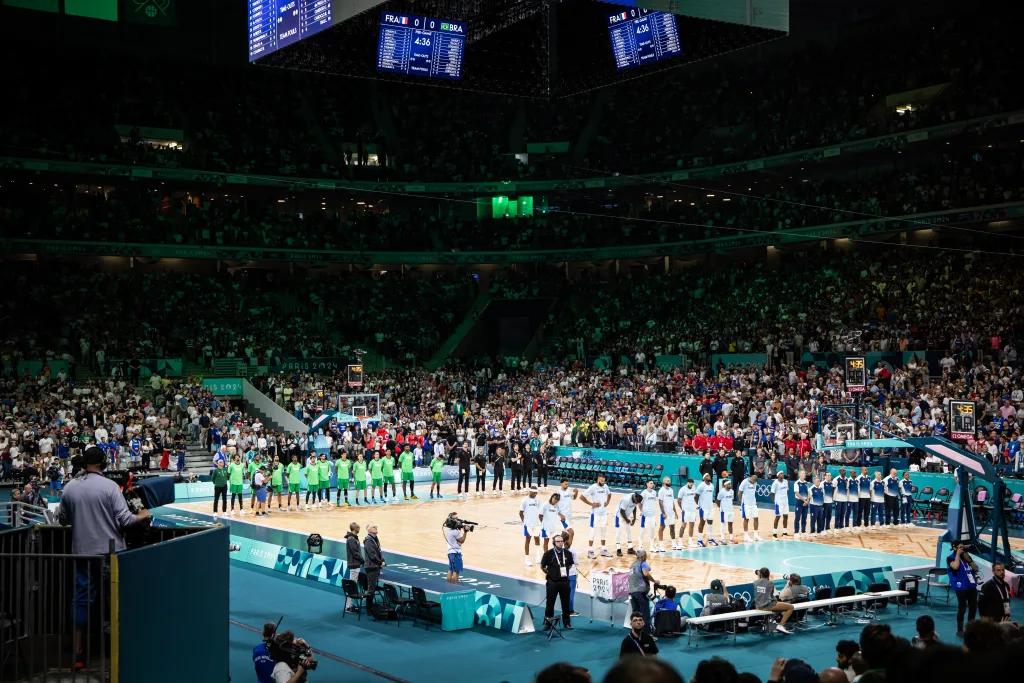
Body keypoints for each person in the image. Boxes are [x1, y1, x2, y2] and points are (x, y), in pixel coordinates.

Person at [58, 445, 151, 669]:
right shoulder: (110, 487)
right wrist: (143, 514)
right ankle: (123, 650)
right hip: (111, 554)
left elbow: (62, 520)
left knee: (81, 601)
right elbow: (126, 520)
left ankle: (78, 655)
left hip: (82, 552)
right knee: (116, 598)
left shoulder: (70, 488)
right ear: (102, 463)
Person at [539, 533, 574, 631]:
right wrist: (550, 573)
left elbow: (570, 565)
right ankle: (548, 623)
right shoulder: (548, 553)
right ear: (554, 543)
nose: (560, 543)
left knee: (565, 603)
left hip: (564, 582)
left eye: (562, 541)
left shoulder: (568, 553)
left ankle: (567, 623)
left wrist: (562, 572)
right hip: (552, 582)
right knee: (550, 604)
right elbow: (542, 566)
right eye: (558, 541)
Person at [946, 541, 980, 636]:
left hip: (971, 585)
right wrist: (957, 555)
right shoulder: (950, 558)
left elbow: (976, 568)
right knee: (962, 608)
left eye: (963, 547)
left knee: (973, 607)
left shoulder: (966, 557)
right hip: (960, 586)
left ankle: (971, 628)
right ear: (954, 548)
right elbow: (955, 567)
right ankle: (960, 630)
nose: (962, 549)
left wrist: (969, 560)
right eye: (960, 547)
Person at [752, 567, 794, 634]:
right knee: (790, 607)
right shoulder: (770, 583)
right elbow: (771, 596)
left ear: (760, 574)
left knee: (780, 607)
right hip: (767, 606)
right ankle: (780, 625)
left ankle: (772, 621)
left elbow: (760, 587)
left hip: (758, 606)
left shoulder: (755, 582)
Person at [580, 474, 612, 558]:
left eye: (604, 480)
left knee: (603, 531)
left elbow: (609, 494)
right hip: (595, 514)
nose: (603, 482)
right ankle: (590, 551)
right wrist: (591, 504)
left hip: (604, 513)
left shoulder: (605, 486)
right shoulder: (593, 487)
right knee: (592, 532)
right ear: (598, 479)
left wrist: (607, 502)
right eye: (601, 480)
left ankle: (603, 550)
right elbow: (581, 497)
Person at [627, 549, 657, 634]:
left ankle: (635, 633)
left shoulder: (632, 565)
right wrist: (654, 581)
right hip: (641, 592)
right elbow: (646, 574)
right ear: (643, 556)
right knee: (645, 614)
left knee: (635, 615)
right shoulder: (643, 563)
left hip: (632, 592)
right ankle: (647, 635)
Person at [521, 486, 543, 566]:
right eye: (532, 492)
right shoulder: (525, 500)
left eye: (535, 493)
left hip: (536, 524)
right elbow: (520, 512)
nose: (534, 494)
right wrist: (524, 522)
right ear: (530, 492)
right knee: (528, 540)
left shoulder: (538, 500)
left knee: (537, 539)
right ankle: (527, 559)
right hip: (528, 524)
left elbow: (540, 512)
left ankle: (538, 557)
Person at [363, 522, 384, 604]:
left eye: (376, 526)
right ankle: (369, 608)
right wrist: (380, 562)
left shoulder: (375, 539)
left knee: (372, 587)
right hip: (371, 567)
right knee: (371, 589)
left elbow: (378, 551)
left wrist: (382, 560)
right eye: (373, 527)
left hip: (375, 566)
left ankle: (370, 606)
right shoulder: (368, 541)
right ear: (369, 530)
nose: (376, 527)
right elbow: (372, 555)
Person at [344, 522, 363, 611]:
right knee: (352, 586)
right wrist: (362, 560)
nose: (359, 529)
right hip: (354, 564)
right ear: (354, 529)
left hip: (355, 564)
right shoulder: (351, 539)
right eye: (358, 528)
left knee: (354, 585)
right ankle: (348, 606)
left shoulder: (353, 538)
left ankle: (351, 604)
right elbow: (355, 553)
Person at [655, 477, 678, 551]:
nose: (669, 482)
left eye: (670, 481)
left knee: (672, 527)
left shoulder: (671, 490)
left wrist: (675, 512)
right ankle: (661, 545)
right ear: (664, 482)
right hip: (665, 513)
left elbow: (672, 501)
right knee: (662, 528)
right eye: (668, 481)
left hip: (671, 513)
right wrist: (663, 513)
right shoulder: (661, 491)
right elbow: (660, 502)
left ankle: (674, 544)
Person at [445, 512, 468, 584]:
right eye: (456, 519)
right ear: (452, 520)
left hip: (450, 552)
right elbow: (462, 540)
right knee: (456, 571)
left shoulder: (448, 529)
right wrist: (465, 532)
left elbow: (458, 542)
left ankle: (448, 586)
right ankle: (454, 588)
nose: (458, 520)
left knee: (451, 570)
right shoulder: (455, 531)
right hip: (455, 553)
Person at [739, 473, 761, 542]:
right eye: (753, 480)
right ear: (750, 477)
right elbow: (739, 493)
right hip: (746, 504)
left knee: (756, 518)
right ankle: (746, 536)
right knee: (746, 519)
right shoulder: (744, 482)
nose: (754, 482)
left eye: (755, 481)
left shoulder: (755, 482)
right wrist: (741, 503)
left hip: (753, 504)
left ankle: (756, 535)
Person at [696, 473, 717, 546]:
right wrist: (698, 505)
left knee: (710, 523)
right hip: (703, 508)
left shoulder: (712, 485)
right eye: (707, 476)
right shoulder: (701, 485)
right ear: (704, 478)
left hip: (710, 508)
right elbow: (696, 496)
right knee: (702, 523)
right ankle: (699, 540)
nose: (709, 476)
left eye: (709, 475)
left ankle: (710, 539)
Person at [677, 478, 699, 547]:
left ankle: (690, 541)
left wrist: (697, 505)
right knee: (683, 525)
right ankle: (680, 541)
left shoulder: (694, 488)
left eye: (692, 483)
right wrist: (682, 508)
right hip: (685, 511)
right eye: (690, 483)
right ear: (687, 483)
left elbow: (695, 497)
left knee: (692, 525)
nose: (691, 484)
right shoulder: (682, 489)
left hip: (693, 510)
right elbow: (678, 500)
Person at [770, 471, 790, 538]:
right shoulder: (775, 483)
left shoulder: (786, 481)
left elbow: (787, 491)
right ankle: (774, 533)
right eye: (781, 474)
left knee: (786, 516)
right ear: (778, 475)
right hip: (779, 503)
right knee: (778, 517)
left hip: (785, 502)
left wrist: (786, 499)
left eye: (783, 474)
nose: (782, 475)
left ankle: (784, 532)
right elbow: (772, 493)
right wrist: (774, 502)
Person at [717, 478, 736, 543]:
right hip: (724, 511)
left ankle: (731, 538)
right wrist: (720, 508)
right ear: (725, 485)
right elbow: (718, 501)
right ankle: (722, 538)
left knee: (730, 524)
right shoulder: (721, 492)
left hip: (731, 511)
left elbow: (731, 500)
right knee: (723, 525)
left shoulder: (732, 491)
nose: (730, 485)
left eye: (730, 484)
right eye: (729, 484)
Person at [793, 470, 809, 537]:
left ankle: (803, 531)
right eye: (803, 473)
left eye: (805, 473)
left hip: (806, 503)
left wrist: (807, 501)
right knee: (797, 517)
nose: (804, 474)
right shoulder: (796, 483)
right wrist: (804, 500)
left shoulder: (806, 483)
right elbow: (797, 493)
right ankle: (796, 532)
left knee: (804, 517)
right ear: (800, 475)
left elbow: (808, 493)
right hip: (799, 502)